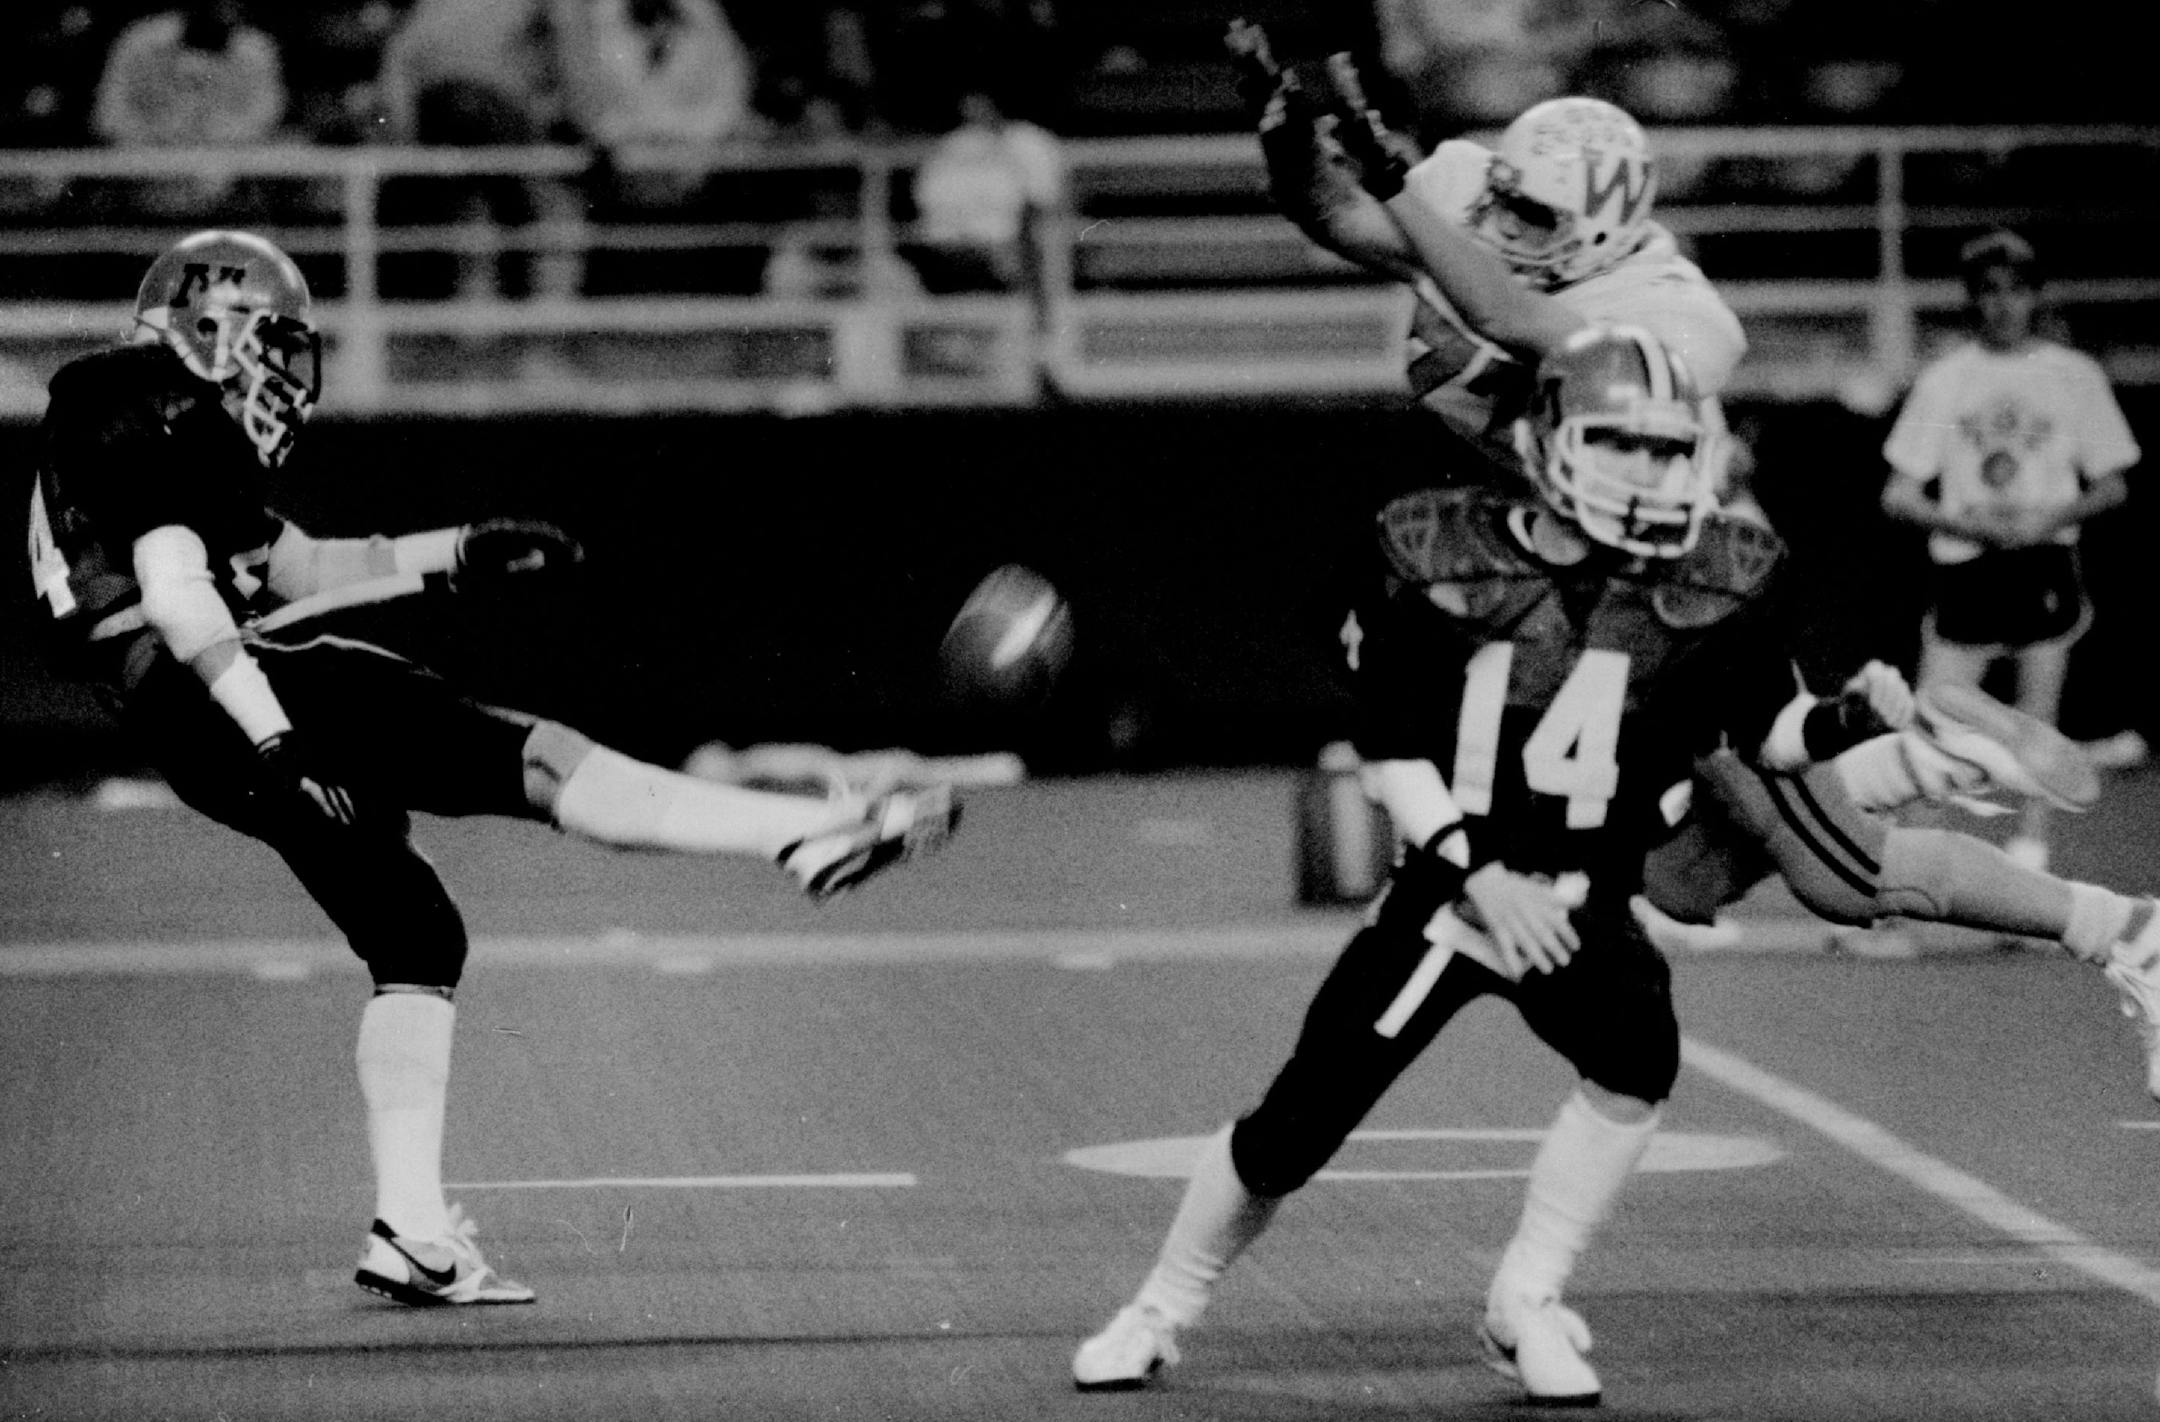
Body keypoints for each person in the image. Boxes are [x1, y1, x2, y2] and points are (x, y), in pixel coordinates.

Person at [23, 229, 962, 1307]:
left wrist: (454, 550)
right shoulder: (148, 406)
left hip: (186, 724)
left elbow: (299, 564)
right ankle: (800, 832)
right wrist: (274, 736)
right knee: (536, 759)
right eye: (273, 343)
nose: (286, 371)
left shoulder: (130, 422)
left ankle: (411, 1231)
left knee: (415, 936)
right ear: (216, 328)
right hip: (237, 690)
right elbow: (180, 586)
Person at [1073, 323, 1921, 1404]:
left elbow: (1771, 732)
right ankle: (1159, 1309)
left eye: (1671, 450)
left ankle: (1527, 1297)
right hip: (1455, 897)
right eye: (1626, 444)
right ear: (1554, 439)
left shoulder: (1721, 580)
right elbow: (1390, 749)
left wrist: (1852, 716)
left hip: (1581, 898)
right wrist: (1482, 877)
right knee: (1294, 1127)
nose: (1653, 472)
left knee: (1633, 1071)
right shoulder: (1440, 551)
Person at [1881, 228, 2142, 873]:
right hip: (1968, 572)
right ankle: (1902, 879)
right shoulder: (1947, 379)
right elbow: (1900, 494)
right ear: (1971, 299)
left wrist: (2048, 516)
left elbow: (2112, 484)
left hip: (2042, 567)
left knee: (2038, 726)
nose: (2002, 305)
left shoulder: (2072, 376)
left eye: (2016, 291)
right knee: (1933, 723)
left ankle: (2030, 864)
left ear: (2035, 296)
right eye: (1988, 292)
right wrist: (1974, 528)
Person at [91, 0, 288, 218]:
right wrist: (154, 140)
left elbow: (265, 116)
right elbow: (108, 113)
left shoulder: (255, 50)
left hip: (220, 164)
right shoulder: (140, 41)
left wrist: (212, 137)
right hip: (144, 160)